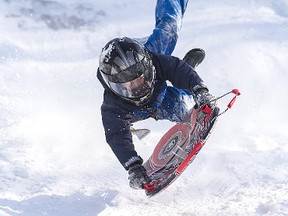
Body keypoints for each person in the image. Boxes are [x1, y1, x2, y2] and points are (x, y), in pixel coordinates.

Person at [97, 0, 215, 189]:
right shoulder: (112, 106)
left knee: (169, 28)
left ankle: (188, 83)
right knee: (184, 109)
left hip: (153, 70)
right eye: (129, 86)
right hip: (144, 109)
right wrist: (133, 166)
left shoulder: (154, 59)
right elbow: (117, 135)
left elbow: (176, 69)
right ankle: (186, 88)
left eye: (141, 79)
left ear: (147, 67)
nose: (137, 88)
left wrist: (200, 89)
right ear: (114, 87)